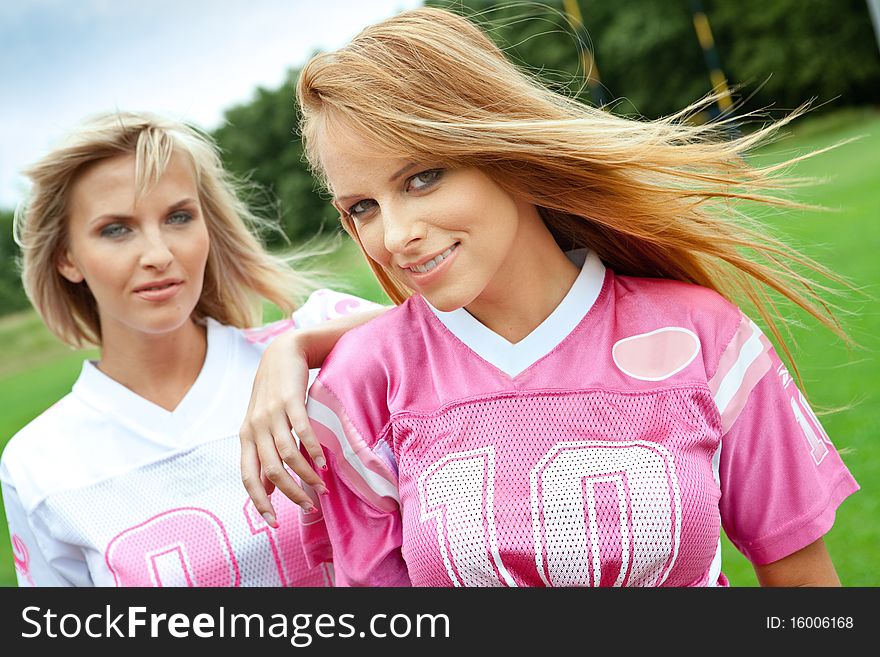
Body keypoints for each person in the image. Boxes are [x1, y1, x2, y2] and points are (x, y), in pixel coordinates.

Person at [241, 8, 859, 587]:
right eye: (363, 208)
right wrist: (291, 348)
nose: (397, 235)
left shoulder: (704, 334)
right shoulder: (357, 391)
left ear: (503, 154)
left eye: (422, 177)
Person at [0, 111, 383, 587]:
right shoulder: (39, 461)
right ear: (66, 257)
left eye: (179, 217)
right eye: (116, 229)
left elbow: (452, 326)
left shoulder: (320, 339)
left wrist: (298, 348)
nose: (159, 254)